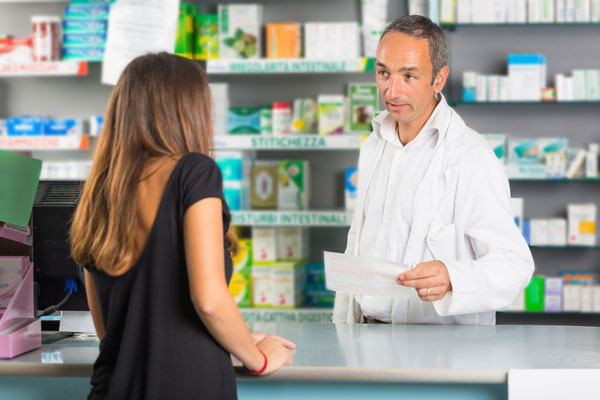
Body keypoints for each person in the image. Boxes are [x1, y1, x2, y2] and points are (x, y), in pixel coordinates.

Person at [70, 52, 295, 400]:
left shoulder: (100, 189)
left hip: (113, 387)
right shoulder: (194, 172)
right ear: (189, 111)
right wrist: (259, 358)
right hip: (188, 386)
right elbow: (208, 300)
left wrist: (237, 334)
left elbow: (111, 328)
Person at [333, 15, 534, 325]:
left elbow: (515, 265)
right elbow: (359, 246)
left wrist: (452, 277)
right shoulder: (375, 144)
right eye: (383, 73)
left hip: (435, 345)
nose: (392, 90)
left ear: (438, 79)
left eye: (409, 76)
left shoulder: (470, 157)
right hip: (365, 334)